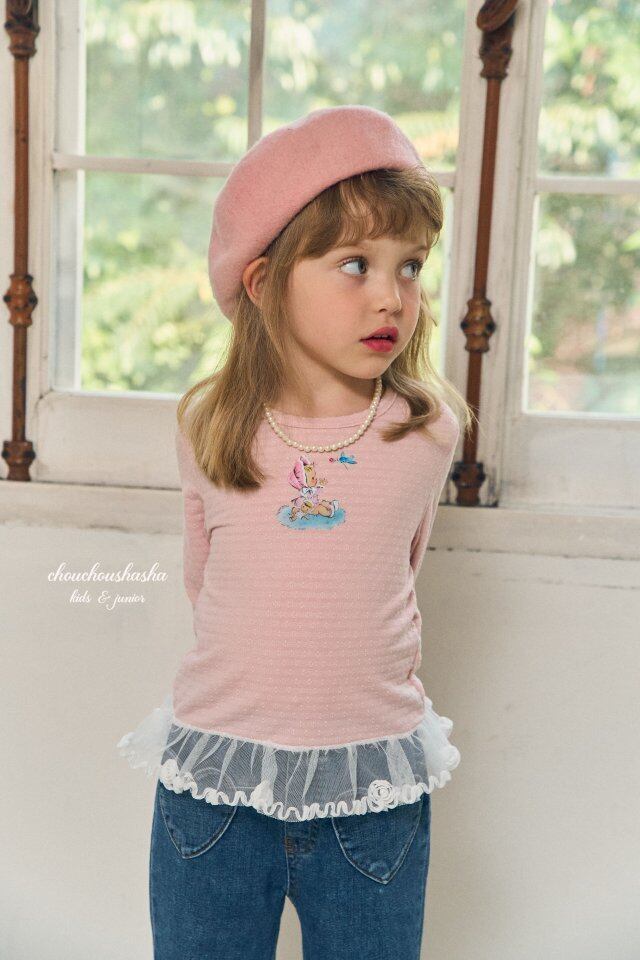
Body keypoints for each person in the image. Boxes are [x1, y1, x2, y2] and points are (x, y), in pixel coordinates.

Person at [117, 104, 473, 960]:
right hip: (217, 788)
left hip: (372, 791)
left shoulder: (425, 432)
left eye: (410, 266)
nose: (391, 296)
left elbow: (396, 572)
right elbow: (208, 582)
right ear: (263, 281)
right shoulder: (211, 426)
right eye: (355, 264)